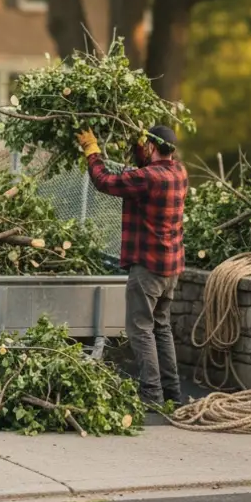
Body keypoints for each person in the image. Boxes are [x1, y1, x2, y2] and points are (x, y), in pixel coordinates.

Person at [75, 125, 188, 409]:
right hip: (171, 268)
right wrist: (140, 147)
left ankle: (151, 396)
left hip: (148, 267)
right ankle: (173, 394)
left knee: (140, 329)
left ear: (152, 147)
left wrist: (92, 151)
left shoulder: (147, 178)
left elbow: (105, 182)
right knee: (161, 328)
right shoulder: (179, 173)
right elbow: (142, 169)